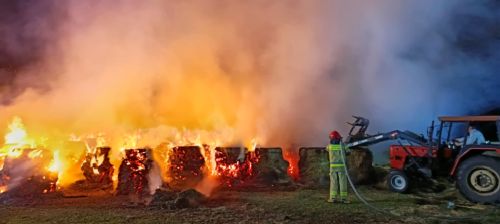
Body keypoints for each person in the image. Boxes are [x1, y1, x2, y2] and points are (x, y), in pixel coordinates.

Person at [326, 130, 349, 204]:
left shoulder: (329, 146)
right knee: (343, 182)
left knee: (333, 182)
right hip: (342, 167)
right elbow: (349, 152)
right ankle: (344, 199)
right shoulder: (343, 146)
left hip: (333, 167)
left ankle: (333, 198)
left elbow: (326, 149)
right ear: (339, 138)